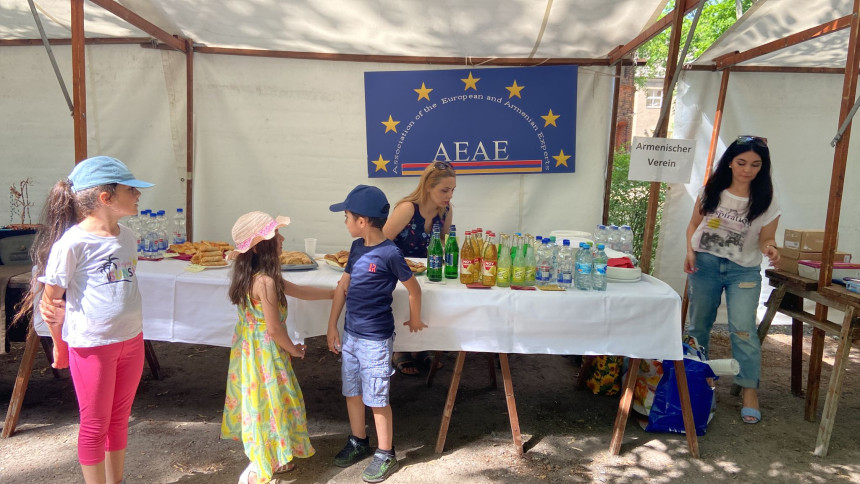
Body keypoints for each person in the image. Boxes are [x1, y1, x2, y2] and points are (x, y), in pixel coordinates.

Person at [13, 156, 154, 484]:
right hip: (92, 347)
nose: (138, 195)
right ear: (106, 198)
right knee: (95, 425)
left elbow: (122, 285)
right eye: (130, 189)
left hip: (131, 341)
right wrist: (60, 347)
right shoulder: (72, 244)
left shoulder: (129, 237)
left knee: (119, 420)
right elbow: (51, 301)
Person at [221, 211, 334, 484]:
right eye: (275, 236)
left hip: (249, 354)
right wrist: (294, 349)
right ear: (261, 246)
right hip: (266, 355)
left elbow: (302, 291)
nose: (282, 239)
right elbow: (273, 328)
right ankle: (258, 466)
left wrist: (336, 292)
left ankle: (273, 455)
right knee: (269, 404)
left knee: (263, 403)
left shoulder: (256, 277)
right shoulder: (266, 282)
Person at [327, 184, 426, 483]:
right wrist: (332, 324)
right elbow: (343, 286)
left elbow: (413, 288)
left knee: (377, 397)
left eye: (346, 216)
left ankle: (386, 453)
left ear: (362, 221)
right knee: (352, 391)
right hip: (351, 335)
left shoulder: (390, 253)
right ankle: (359, 441)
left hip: (376, 339)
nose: (344, 221)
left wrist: (415, 318)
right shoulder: (357, 248)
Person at [684, 135, 781, 425]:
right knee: (698, 326)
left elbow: (767, 238)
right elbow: (693, 225)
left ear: (762, 167)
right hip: (705, 264)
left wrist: (771, 248)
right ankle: (700, 384)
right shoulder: (711, 190)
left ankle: (749, 390)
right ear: (730, 162)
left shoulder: (767, 199)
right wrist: (689, 252)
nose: (747, 169)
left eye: (755, 164)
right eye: (741, 162)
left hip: (744, 271)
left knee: (743, 329)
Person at [382, 161, 456, 375]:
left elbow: (443, 239)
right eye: (444, 190)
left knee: (433, 300)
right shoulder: (407, 208)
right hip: (397, 268)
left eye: (452, 190)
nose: (449, 195)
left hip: (426, 268)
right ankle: (400, 350)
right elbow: (383, 242)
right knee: (403, 300)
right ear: (427, 187)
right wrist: (399, 265)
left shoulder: (446, 209)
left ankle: (421, 346)